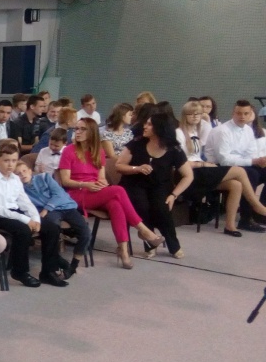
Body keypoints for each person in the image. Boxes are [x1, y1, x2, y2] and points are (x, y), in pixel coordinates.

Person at [58, 118, 165, 269]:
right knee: (119, 190)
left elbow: (101, 177)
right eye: (76, 129)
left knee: (115, 204)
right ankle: (143, 230)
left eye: (83, 129)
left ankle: (123, 251)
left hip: (95, 191)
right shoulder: (69, 151)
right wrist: (85, 184)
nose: (78, 132)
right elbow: (65, 181)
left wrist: (102, 183)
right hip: (76, 192)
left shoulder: (98, 152)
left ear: (92, 132)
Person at [0, 140, 68, 288]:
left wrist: (35, 218)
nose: (10, 165)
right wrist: (27, 220)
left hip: (12, 211)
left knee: (51, 228)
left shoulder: (15, 178)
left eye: (14, 161)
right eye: (6, 160)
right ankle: (19, 271)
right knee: (23, 230)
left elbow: (24, 201)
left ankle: (48, 272)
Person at [177, 100, 266, 236]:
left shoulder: (196, 131)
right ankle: (256, 207)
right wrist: (203, 164)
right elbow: (181, 161)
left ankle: (230, 226)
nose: (195, 117)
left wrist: (257, 161)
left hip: (206, 168)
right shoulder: (180, 133)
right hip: (194, 170)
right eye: (191, 114)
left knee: (236, 184)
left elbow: (251, 153)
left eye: (198, 114)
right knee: (244, 172)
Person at [117, 112, 193, 258]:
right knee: (142, 205)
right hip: (134, 183)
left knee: (162, 208)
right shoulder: (136, 143)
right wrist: (137, 168)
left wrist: (174, 195)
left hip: (159, 185)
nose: (145, 126)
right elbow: (119, 166)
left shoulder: (174, 149)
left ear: (160, 128)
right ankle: (150, 243)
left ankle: (173, 245)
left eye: (149, 124)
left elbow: (188, 176)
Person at [15, 160, 90, 278]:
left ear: (30, 171)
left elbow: (59, 194)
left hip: (66, 206)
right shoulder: (19, 190)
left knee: (86, 234)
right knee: (52, 230)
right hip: (52, 213)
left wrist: (46, 209)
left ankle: (73, 266)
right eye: (18, 173)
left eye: (24, 171)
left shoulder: (44, 177)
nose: (22, 174)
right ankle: (57, 259)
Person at [204, 100, 266, 232]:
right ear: (233, 113)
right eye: (239, 113)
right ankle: (246, 219)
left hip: (240, 164)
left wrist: (259, 161)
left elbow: (251, 153)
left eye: (246, 113)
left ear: (251, 114)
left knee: (261, 170)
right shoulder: (222, 131)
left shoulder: (248, 130)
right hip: (217, 167)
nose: (242, 116)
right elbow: (225, 160)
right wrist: (253, 161)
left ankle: (261, 213)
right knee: (252, 174)